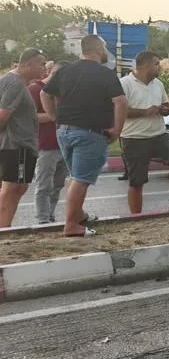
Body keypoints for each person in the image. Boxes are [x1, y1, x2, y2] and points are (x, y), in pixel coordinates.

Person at [40, 34, 127, 237]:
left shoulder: (66, 70)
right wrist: (117, 130)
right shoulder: (104, 73)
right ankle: (71, 225)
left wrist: (55, 117)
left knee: (75, 176)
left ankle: (78, 214)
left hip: (64, 131)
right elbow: (121, 102)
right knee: (80, 179)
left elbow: (45, 93)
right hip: (89, 133)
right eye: (105, 47)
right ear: (98, 49)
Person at [119, 51, 169, 215]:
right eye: (156, 64)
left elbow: (166, 105)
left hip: (159, 134)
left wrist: (165, 109)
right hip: (134, 137)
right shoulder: (125, 83)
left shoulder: (158, 84)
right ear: (145, 65)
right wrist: (145, 112)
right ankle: (136, 217)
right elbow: (120, 111)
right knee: (137, 182)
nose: (159, 67)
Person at [0, 48, 46, 227]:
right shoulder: (15, 83)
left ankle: (5, 226)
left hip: (20, 145)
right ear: (27, 64)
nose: (44, 68)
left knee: (19, 186)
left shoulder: (15, 81)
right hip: (16, 145)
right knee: (12, 188)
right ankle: (4, 231)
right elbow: (3, 115)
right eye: (41, 64)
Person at [30, 60, 68, 224]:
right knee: (44, 185)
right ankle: (42, 220)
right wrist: (55, 115)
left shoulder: (64, 91)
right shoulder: (35, 89)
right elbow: (30, 118)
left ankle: (50, 215)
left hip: (64, 144)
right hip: (45, 145)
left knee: (58, 185)